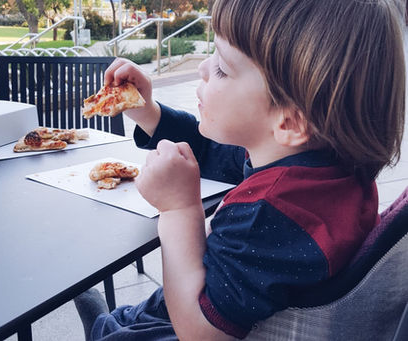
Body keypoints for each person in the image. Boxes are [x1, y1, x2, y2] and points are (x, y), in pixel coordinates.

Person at [74, 0, 406, 340]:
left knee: (128, 332)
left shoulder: (268, 215)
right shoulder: (317, 164)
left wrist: (177, 208)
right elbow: (209, 151)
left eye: (222, 68)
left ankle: (104, 328)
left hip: (215, 320)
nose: (203, 68)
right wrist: (147, 111)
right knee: (140, 313)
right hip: (244, 293)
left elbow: (201, 331)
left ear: (289, 121)